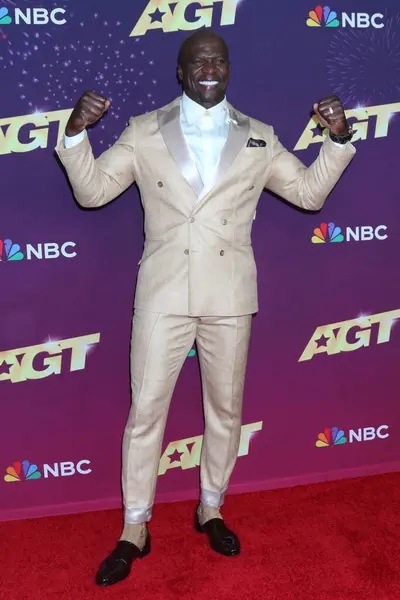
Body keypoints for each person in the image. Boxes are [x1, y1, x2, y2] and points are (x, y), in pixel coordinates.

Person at [56, 29, 356, 586]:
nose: (209, 67)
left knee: (225, 409)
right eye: (198, 60)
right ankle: (135, 526)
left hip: (229, 295)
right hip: (163, 294)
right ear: (181, 71)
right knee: (145, 413)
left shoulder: (260, 137)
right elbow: (93, 192)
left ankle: (211, 506)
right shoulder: (145, 131)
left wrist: (337, 141)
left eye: (218, 58)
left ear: (230, 68)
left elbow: (309, 194)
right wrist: (76, 135)